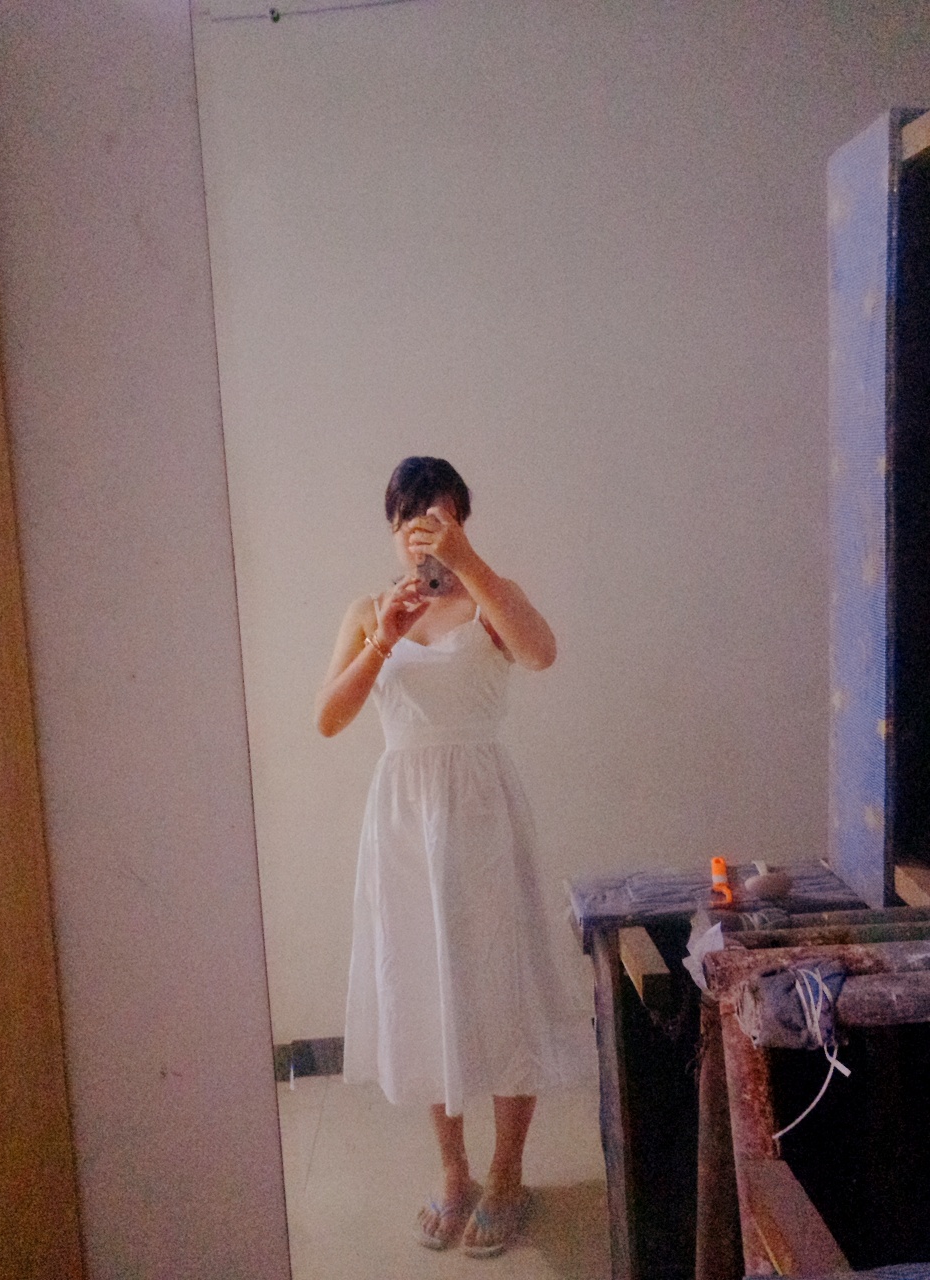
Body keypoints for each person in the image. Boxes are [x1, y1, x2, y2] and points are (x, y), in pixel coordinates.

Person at [315, 457, 591, 1258]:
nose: (422, 533)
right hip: (403, 821)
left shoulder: (489, 597)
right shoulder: (367, 611)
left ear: (462, 520)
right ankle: (452, 1170)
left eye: (437, 517)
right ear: (391, 528)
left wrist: (470, 565)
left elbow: (541, 653)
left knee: (504, 986)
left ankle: (507, 1173)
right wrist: (381, 640)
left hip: (482, 813)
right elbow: (328, 717)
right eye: (409, 519)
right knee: (421, 986)